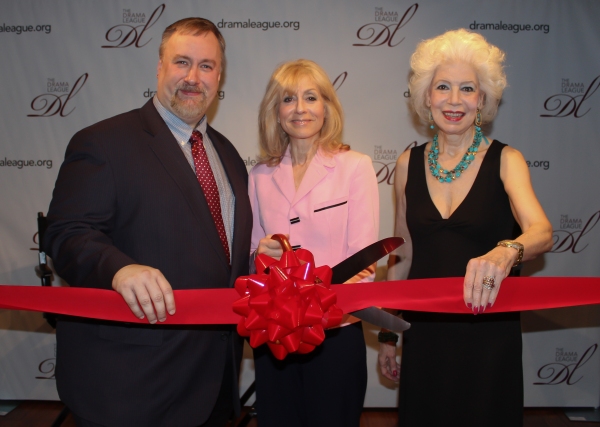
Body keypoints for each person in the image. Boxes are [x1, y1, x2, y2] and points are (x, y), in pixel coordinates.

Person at [43, 18, 252, 427]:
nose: (193, 77)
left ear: (219, 76)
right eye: (182, 62)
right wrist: (119, 269)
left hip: (213, 384)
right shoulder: (104, 142)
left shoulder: (227, 154)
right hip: (132, 384)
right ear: (159, 68)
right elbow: (65, 233)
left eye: (206, 66)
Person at [378, 29, 553, 427]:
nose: (454, 100)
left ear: (484, 99)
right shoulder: (408, 163)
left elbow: (541, 230)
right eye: (443, 87)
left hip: (489, 336)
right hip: (425, 335)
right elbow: (402, 255)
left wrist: (508, 249)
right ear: (426, 97)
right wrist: (389, 335)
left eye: (467, 89)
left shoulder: (508, 160)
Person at [249, 59, 379, 427]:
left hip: (335, 329)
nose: (300, 109)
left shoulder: (355, 166)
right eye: (289, 99)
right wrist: (258, 254)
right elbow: (250, 254)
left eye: (311, 97)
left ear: (327, 108)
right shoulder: (259, 175)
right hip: (275, 333)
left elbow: (364, 262)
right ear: (276, 112)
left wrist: (318, 312)